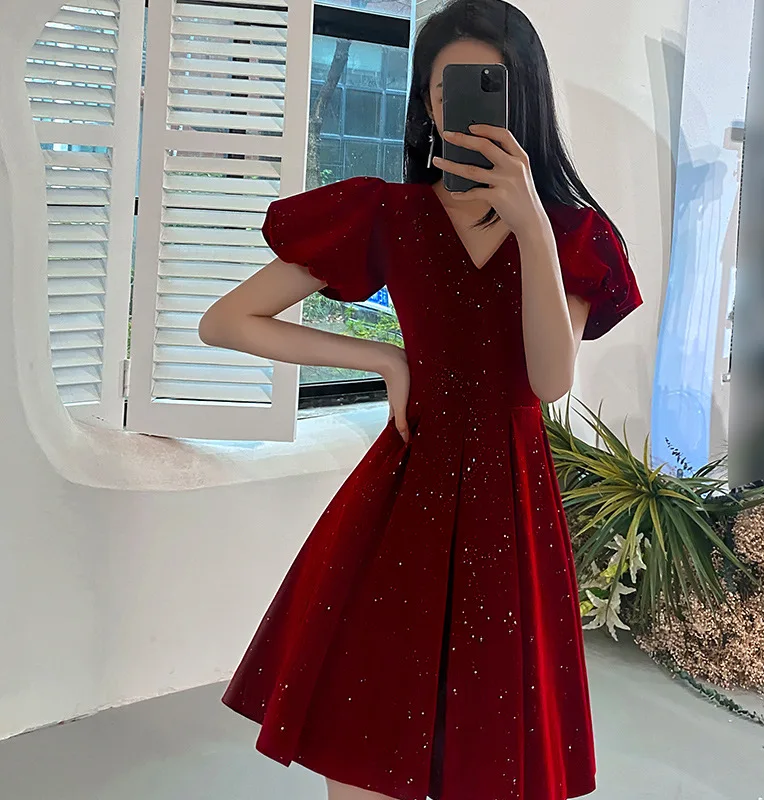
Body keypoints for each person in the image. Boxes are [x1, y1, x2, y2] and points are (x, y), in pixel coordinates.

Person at [198, 1, 643, 798]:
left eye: (489, 85)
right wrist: (382, 358)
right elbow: (227, 321)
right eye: (447, 90)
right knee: (363, 741)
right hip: (404, 496)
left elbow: (549, 381)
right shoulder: (386, 212)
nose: (463, 106)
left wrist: (532, 227)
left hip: (510, 507)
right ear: (429, 107)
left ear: (524, 97)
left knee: (490, 750)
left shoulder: (573, 235)